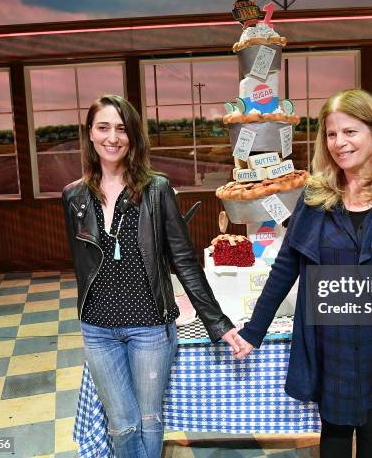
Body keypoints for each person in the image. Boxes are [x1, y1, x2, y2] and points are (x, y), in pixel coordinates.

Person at [233, 89, 372, 457]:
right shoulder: (316, 195)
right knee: (334, 438)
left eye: (351, 132)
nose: (339, 143)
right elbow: (285, 267)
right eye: (331, 134)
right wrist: (254, 331)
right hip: (332, 344)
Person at [62, 95, 240, 458]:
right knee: (121, 423)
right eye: (103, 127)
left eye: (122, 129)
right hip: (98, 329)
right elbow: (83, 267)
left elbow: (185, 262)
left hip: (149, 327)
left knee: (149, 418)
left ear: (133, 138)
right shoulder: (74, 197)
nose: (113, 137)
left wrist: (218, 323)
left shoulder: (156, 190)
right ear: (90, 135)